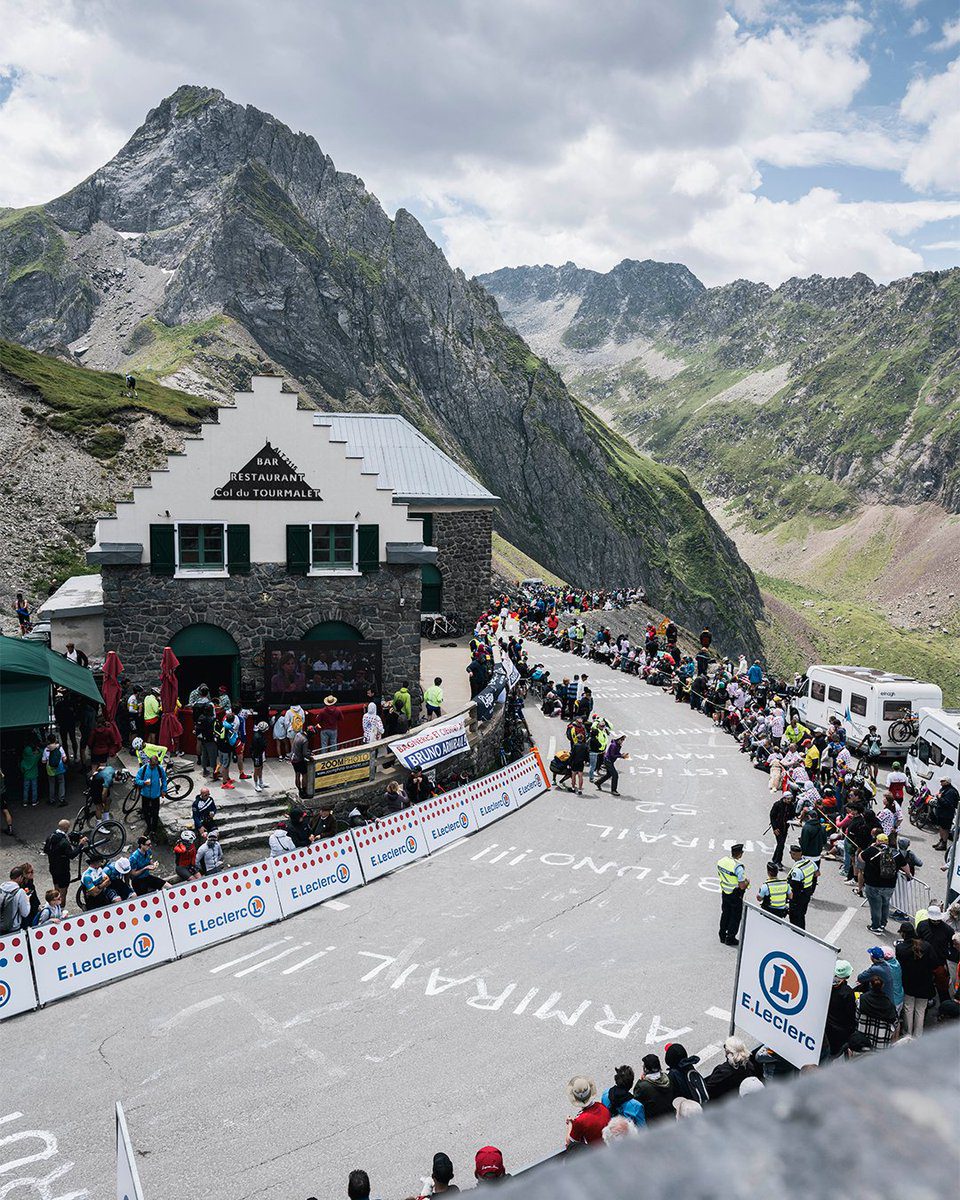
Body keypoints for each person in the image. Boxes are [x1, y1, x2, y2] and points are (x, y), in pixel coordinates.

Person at [896, 923, 936, 1036]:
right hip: (925, 984)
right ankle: (918, 1035)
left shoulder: (901, 948)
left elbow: (899, 966)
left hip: (909, 983)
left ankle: (907, 1033)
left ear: (903, 933)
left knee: (908, 1008)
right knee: (920, 1010)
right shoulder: (926, 946)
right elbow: (934, 962)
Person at [860, 832, 898, 934]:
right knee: (885, 905)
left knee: (875, 906)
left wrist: (869, 848)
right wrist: (908, 875)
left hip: (873, 884)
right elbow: (904, 865)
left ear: (877, 841)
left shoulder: (872, 850)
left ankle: (875, 926)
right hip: (889, 885)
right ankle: (882, 924)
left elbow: (860, 858)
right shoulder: (894, 852)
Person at [703, 1037, 759, 1101]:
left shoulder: (722, 1071)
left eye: (725, 1047)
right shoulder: (749, 1065)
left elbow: (708, 1089)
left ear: (728, 1052)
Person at [916, 905, 953, 1000]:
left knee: (942, 986)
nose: (936, 922)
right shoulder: (922, 925)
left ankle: (945, 1006)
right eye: (934, 920)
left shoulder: (947, 929)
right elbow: (918, 940)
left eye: (938, 920)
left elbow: (953, 944)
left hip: (939, 962)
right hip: (924, 960)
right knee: (924, 982)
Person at [44, 819, 86, 899]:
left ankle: (55, 905)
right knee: (63, 892)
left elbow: (46, 850)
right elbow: (72, 855)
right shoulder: (64, 842)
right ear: (66, 828)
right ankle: (61, 907)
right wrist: (80, 845)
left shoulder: (50, 837)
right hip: (63, 870)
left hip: (53, 867)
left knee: (56, 888)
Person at [717, 843, 749, 945]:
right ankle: (730, 938)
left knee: (725, 913)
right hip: (735, 894)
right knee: (735, 916)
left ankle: (722, 935)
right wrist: (747, 882)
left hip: (725, 891)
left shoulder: (722, 861)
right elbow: (742, 886)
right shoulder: (738, 867)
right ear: (740, 854)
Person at [565, 1076, 610, 1146]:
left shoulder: (579, 1121)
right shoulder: (602, 1106)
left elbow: (569, 1142)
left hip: (594, 1153)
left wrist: (570, 1124)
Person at [825, 961, 857, 1056]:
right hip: (840, 1031)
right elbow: (850, 1014)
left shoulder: (826, 986)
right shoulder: (847, 993)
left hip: (827, 1025)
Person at [632, 1054, 675, 1122]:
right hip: (671, 1118)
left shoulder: (642, 1086)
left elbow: (636, 1103)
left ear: (646, 1069)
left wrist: (641, 1081)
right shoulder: (668, 1078)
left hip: (655, 1124)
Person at [787, 843, 818, 930]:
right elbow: (817, 873)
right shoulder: (810, 862)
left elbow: (795, 888)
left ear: (794, 854)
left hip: (798, 898)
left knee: (795, 919)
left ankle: (797, 936)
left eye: (791, 853)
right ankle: (802, 933)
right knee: (802, 916)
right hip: (807, 894)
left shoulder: (797, 870)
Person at [135, 753, 167, 835]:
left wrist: (164, 789)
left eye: (155, 765)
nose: (153, 766)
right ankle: (149, 827)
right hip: (145, 795)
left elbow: (164, 779)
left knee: (155, 813)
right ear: (149, 761)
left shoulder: (159, 769)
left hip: (156, 795)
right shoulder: (144, 768)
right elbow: (137, 780)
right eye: (152, 764)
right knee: (146, 813)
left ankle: (154, 829)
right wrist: (144, 782)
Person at [0, 866, 31, 932]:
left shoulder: (1, 888)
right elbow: (25, 913)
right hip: (13, 927)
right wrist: (27, 900)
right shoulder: (20, 892)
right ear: (20, 877)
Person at [932, 778, 959, 851]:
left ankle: (944, 843)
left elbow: (948, 804)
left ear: (947, 782)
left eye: (942, 781)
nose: (940, 782)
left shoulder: (951, 792)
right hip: (941, 812)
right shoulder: (944, 789)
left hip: (946, 814)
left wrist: (939, 798)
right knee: (941, 827)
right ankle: (941, 841)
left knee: (945, 829)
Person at [42, 734, 68, 806]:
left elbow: (43, 761)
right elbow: (64, 758)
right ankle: (61, 799)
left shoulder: (46, 749)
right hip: (59, 767)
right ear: (55, 739)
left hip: (50, 769)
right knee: (61, 782)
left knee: (51, 783)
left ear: (48, 740)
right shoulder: (59, 747)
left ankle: (52, 799)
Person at [768, 793, 794, 867]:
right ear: (784, 798)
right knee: (781, 844)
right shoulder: (777, 805)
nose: (789, 800)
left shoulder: (791, 806)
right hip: (778, 828)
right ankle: (778, 861)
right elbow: (772, 816)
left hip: (785, 828)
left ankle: (774, 859)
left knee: (780, 844)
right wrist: (774, 828)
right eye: (788, 799)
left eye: (790, 799)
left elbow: (792, 815)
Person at [290, 722, 313, 798]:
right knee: (304, 775)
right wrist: (311, 758)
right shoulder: (305, 740)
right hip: (299, 760)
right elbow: (305, 754)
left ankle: (299, 790)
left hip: (293, 758)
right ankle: (304, 792)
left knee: (297, 775)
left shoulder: (298, 734)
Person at [20, 740, 41, 808]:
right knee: (34, 788)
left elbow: (22, 769)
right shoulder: (34, 758)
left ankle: (25, 802)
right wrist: (38, 748)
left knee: (26, 789)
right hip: (34, 775)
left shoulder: (23, 760)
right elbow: (41, 752)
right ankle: (34, 801)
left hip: (26, 775)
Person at [250, 720, 269, 794]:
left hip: (260, 753)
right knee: (256, 769)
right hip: (256, 755)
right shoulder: (257, 737)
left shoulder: (260, 734)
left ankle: (261, 782)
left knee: (261, 767)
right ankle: (256, 785)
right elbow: (256, 747)